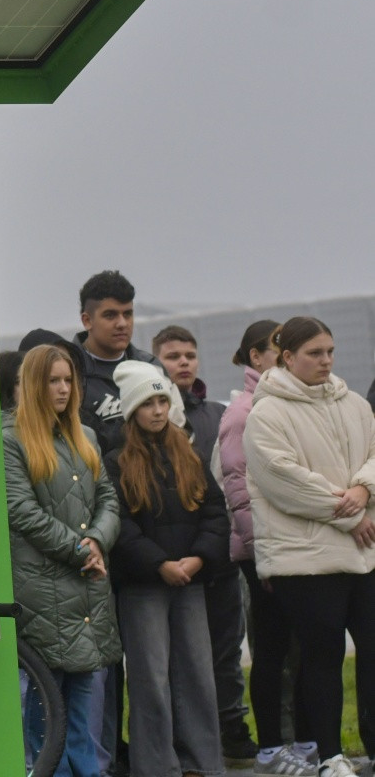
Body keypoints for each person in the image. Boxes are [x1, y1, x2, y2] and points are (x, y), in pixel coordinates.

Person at [244, 317, 375, 777]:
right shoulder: (267, 414)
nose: (326, 361)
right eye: (315, 353)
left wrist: (363, 487)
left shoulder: (355, 404)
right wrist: (355, 514)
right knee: (322, 659)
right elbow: (285, 482)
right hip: (305, 561)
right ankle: (329, 756)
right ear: (287, 357)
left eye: (330, 351)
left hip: (362, 555)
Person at [4, 344, 122, 777]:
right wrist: (81, 551)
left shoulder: (85, 435)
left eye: (68, 380)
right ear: (32, 384)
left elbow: (109, 499)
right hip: (41, 588)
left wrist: (97, 541)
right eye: (53, 380)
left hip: (87, 586)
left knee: (82, 709)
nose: (63, 389)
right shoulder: (9, 440)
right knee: (46, 715)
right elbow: (20, 511)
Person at [106, 360, 228, 777]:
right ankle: (157, 766)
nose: (158, 410)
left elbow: (215, 513)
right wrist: (159, 564)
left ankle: (202, 764)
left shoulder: (189, 455)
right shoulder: (116, 462)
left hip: (189, 582)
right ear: (131, 411)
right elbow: (120, 525)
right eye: (147, 403)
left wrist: (198, 559)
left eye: (162, 401)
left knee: (197, 675)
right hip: (143, 587)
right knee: (150, 679)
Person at [153, 324, 254, 763]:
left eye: (189, 355)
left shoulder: (217, 415)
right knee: (180, 657)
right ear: (157, 363)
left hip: (220, 557)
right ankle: (186, 737)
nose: (183, 363)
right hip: (173, 560)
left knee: (227, 648)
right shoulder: (151, 420)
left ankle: (232, 727)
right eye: (173, 356)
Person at [219, 319, 315, 776]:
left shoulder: (290, 402)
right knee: (273, 651)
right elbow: (238, 491)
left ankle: (306, 744)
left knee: (305, 648)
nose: (287, 356)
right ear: (255, 358)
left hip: (296, 549)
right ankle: (273, 749)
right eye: (278, 348)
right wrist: (263, 556)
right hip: (264, 554)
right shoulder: (243, 412)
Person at [72, 272, 161, 457]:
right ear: (87, 321)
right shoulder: (69, 375)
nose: (122, 323)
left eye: (127, 314)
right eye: (110, 315)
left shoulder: (152, 368)